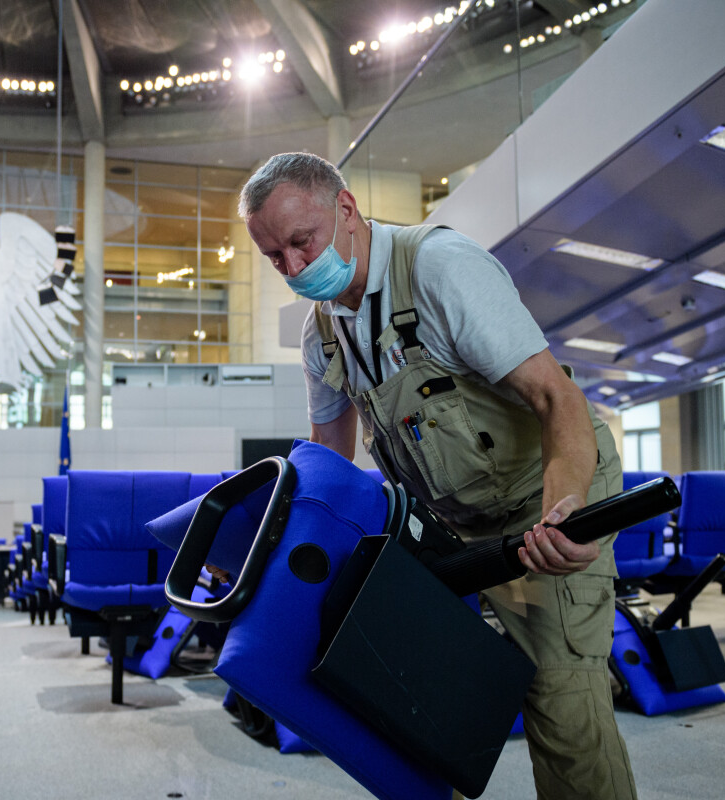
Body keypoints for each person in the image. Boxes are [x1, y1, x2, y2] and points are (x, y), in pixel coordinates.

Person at [238, 152, 635, 800]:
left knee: (559, 697)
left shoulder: (439, 269)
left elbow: (556, 400)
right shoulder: (322, 335)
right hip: (454, 525)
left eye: (301, 242)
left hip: (548, 497)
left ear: (346, 209)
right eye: (274, 256)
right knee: (413, 693)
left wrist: (565, 510)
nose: (292, 267)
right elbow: (329, 464)